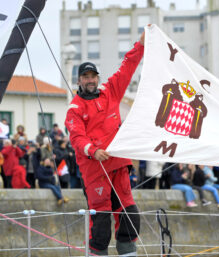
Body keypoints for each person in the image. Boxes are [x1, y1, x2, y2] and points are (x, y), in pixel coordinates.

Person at [65, 30, 145, 256]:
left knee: (131, 219)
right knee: (101, 229)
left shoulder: (111, 92)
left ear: (97, 78)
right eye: (85, 77)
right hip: (95, 170)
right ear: (79, 80)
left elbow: (127, 68)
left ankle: (127, 252)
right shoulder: (74, 109)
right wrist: (93, 150)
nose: (90, 80)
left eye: (93, 76)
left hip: (118, 165)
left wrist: (140, 44)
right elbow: (77, 137)